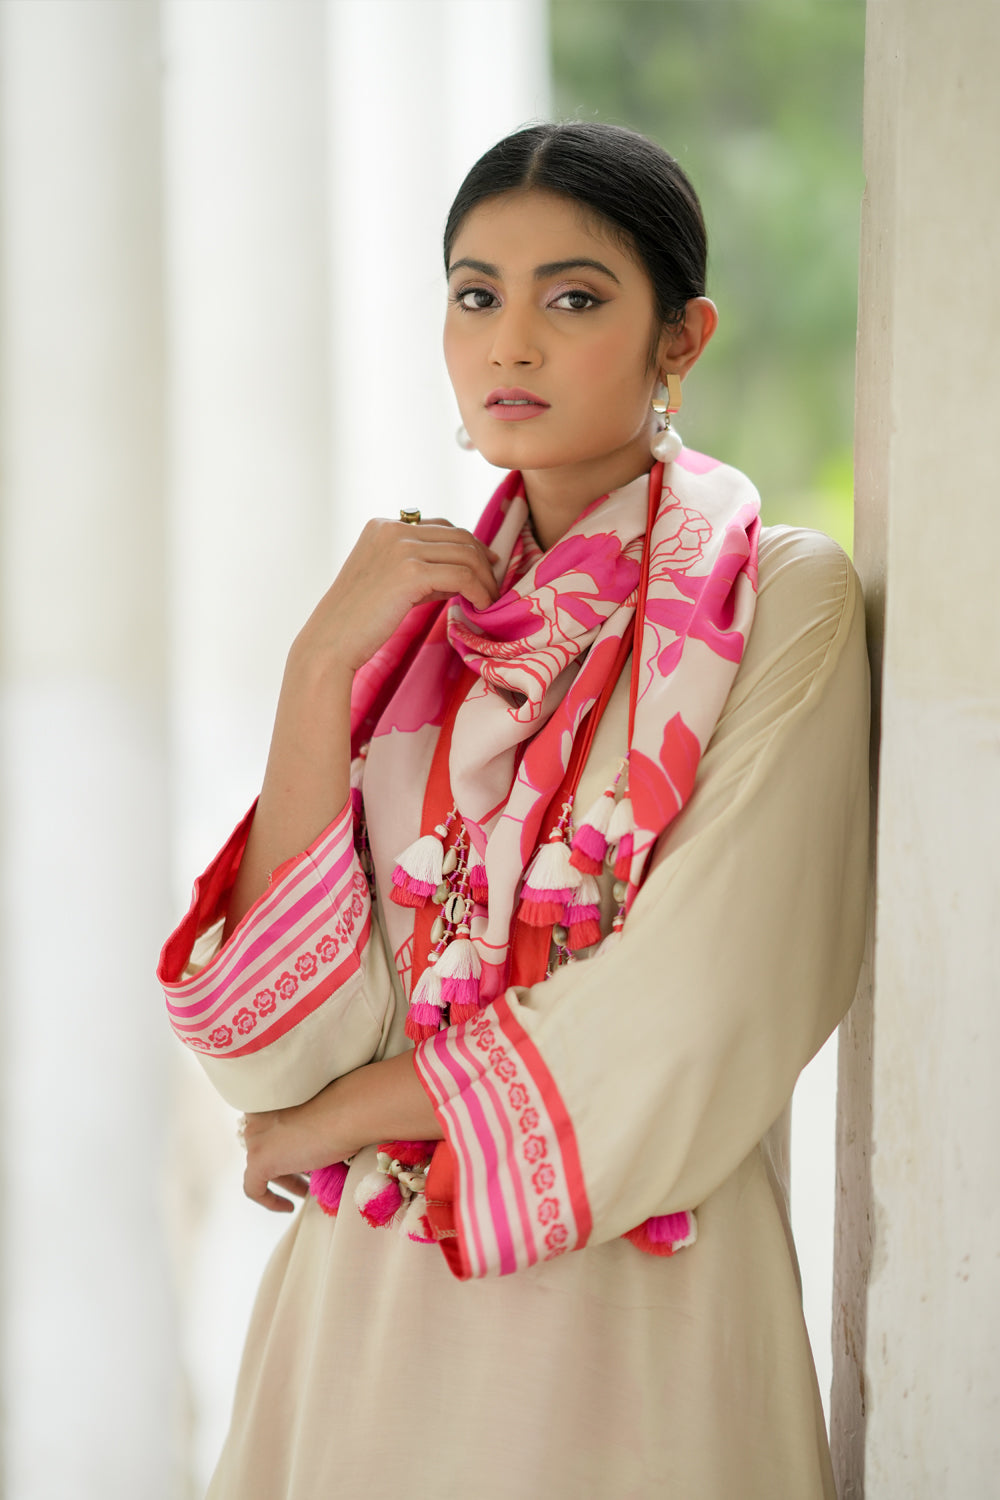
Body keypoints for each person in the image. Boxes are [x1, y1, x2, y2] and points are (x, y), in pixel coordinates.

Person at [158, 121, 869, 1499]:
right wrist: (319, 673)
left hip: (636, 1336)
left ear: (684, 338)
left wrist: (342, 1118)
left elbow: (698, 1007)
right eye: (478, 295)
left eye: (575, 298)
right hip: (363, 1331)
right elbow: (272, 1054)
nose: (512, 345)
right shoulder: (417, 631)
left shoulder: (783, 604)